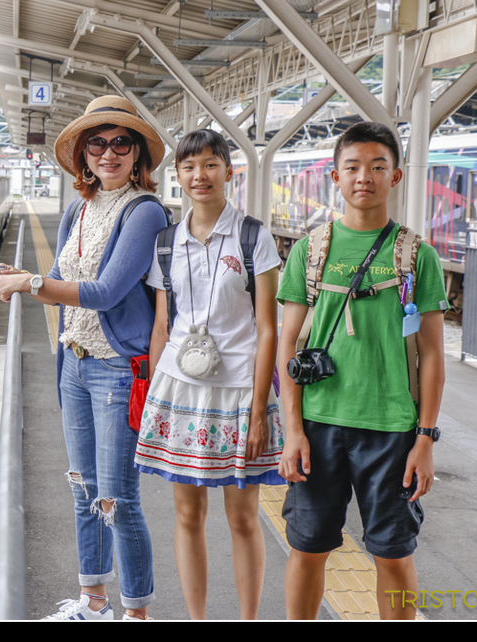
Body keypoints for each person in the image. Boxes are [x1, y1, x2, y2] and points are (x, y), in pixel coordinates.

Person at [0, 95, 168, 621]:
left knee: (119, 500)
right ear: (83, 156)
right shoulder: (78, 209)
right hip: (74, 363)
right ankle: (94, 603)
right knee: (83, 489)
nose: (108, 153)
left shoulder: (145, 211)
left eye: (120, 143)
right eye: (98, 143)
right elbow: (69, 283)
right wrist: (25, 280)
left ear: (137, 154)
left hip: (117, 367)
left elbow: (107, 291)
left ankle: (135, 611)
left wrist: (31, 282)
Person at [275, 122, 446, 620]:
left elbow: (432, 354)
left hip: (393, 429)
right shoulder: (311, 251)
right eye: (352, 167)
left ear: (395, 178)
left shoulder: (417, 256)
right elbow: (289, 345)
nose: (363, 177)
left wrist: (426, 438)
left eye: (377, 167)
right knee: (307, 547)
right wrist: (292, 431)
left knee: (393, 553)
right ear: (335, 175)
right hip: (318, 425)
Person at [133, 129, 285, 619]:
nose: (200, 176)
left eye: (210, 165)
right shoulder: (165, 243)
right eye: (189, 166)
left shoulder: (253, 236)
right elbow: (162, 324)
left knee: (242, 518)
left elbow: (267, 329)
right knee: (186, 514)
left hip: (239, 391)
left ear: (228, 171)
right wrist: (154, 396)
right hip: (180, 390)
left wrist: (260, 409)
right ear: (176, 176)